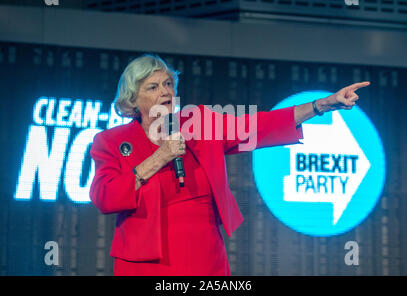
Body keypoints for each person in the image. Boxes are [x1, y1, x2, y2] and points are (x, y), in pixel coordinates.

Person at [89, 54, 370, 276]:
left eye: (168, 84)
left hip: (203, 255)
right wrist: (157, 159)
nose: (165, 92)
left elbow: (257, 125)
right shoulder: (111, 141)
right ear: (132, 99)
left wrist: (322, 105)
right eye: (153, 87)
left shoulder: (197, 122)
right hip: (146, 261)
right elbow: (105, 197)